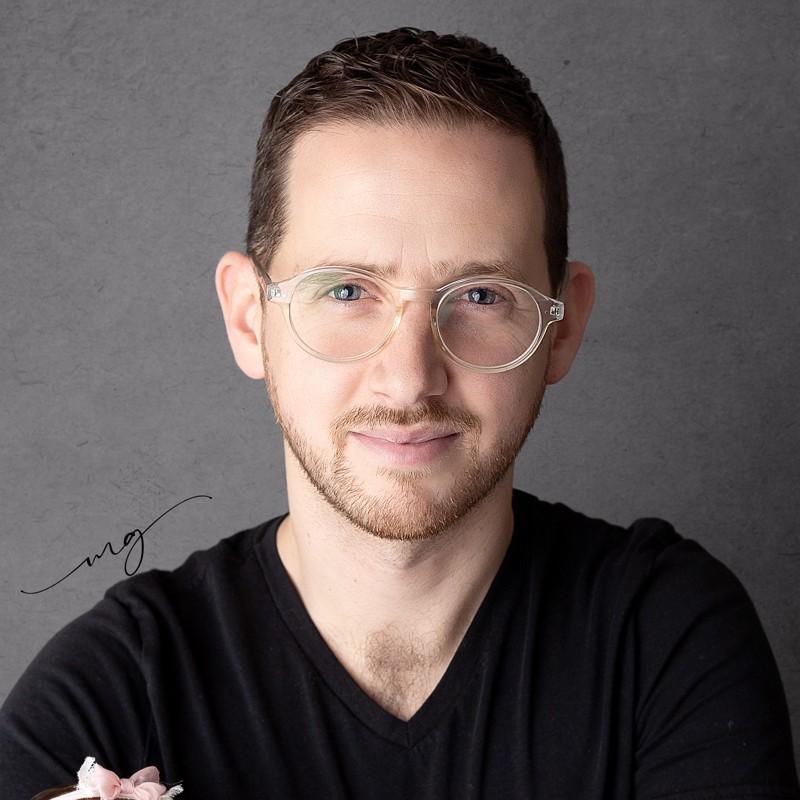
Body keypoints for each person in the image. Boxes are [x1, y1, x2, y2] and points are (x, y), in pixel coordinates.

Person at [1, 27, 797, 800]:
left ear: (563, 328)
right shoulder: (115, 691)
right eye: (347, 290)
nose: (410, 379)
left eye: (480, 295)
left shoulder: (662, 633)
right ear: (249, 320)